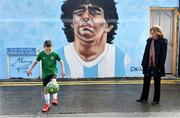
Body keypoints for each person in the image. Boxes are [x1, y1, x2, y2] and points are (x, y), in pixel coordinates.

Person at [57, 0, 126, 78]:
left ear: (108, 25)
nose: (85, 17)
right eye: (79, 12)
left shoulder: (123, 59)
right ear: (71, 23)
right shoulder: (57, 58)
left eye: (94, 12)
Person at [27, 40, 65, 112]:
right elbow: (35, 61)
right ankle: (47, 104)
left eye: (50, 49)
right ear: (44, 47)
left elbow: (61, 61)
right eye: (47, 49)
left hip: (53, 72)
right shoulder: (41, 54)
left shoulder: (55, 54)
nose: (48, 51)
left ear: (52, 47)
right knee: (46, 90)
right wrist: (30, 69)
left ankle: (55, 98)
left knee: (53, 83)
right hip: (45, 74)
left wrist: (63, 71)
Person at [137, 25, 167, 105]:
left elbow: (163, 56)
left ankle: (156, 100)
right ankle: (143, 98)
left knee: (157, 83)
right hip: (148, 64)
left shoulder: (163, 42)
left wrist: (160, 67)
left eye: (153, 33)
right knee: (146, 82)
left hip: (157, 66)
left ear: (158, 33)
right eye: (151, 33)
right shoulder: (149, 41)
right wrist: (143, 63)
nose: (152, 35)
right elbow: (146, 53)